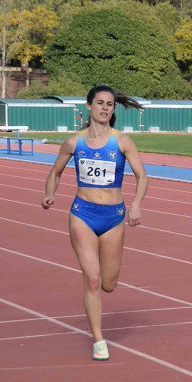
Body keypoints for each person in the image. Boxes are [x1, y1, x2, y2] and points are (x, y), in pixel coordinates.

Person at [42, 85, 148, 361]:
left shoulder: (122, 141)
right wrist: (49, 193)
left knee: (109, 283)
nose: (104, 108)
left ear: (113, 109)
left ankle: (100, 310)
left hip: (114, 217)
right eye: (99, 103)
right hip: (83, 214)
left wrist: (136, 204)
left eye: (110, 104)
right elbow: (55, 172)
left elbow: (142, 177)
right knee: (92, 278)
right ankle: (99, 340)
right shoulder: (74, 142)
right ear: (88, 106)